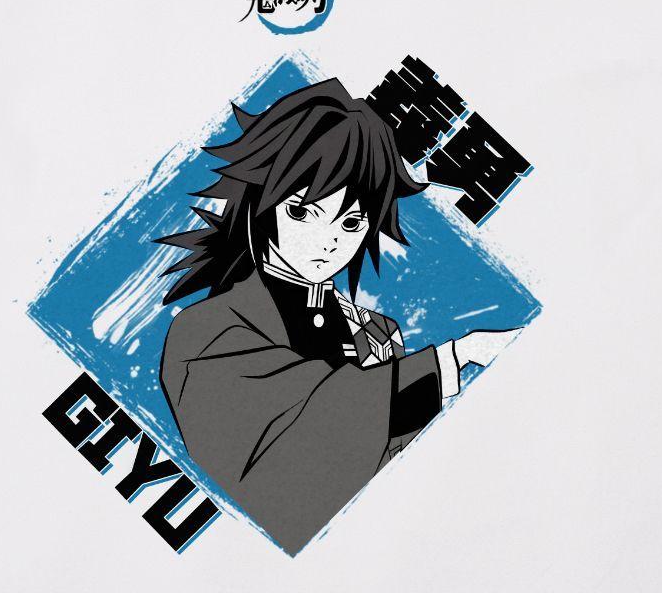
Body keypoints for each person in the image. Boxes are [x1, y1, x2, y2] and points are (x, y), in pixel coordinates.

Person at [156, 79, 518, 553]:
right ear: (260, 204)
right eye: (302, 212)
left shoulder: (378, 333)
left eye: (351, 222)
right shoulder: (204, 330)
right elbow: (284, 467)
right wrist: (452, 359)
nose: (327, 241)